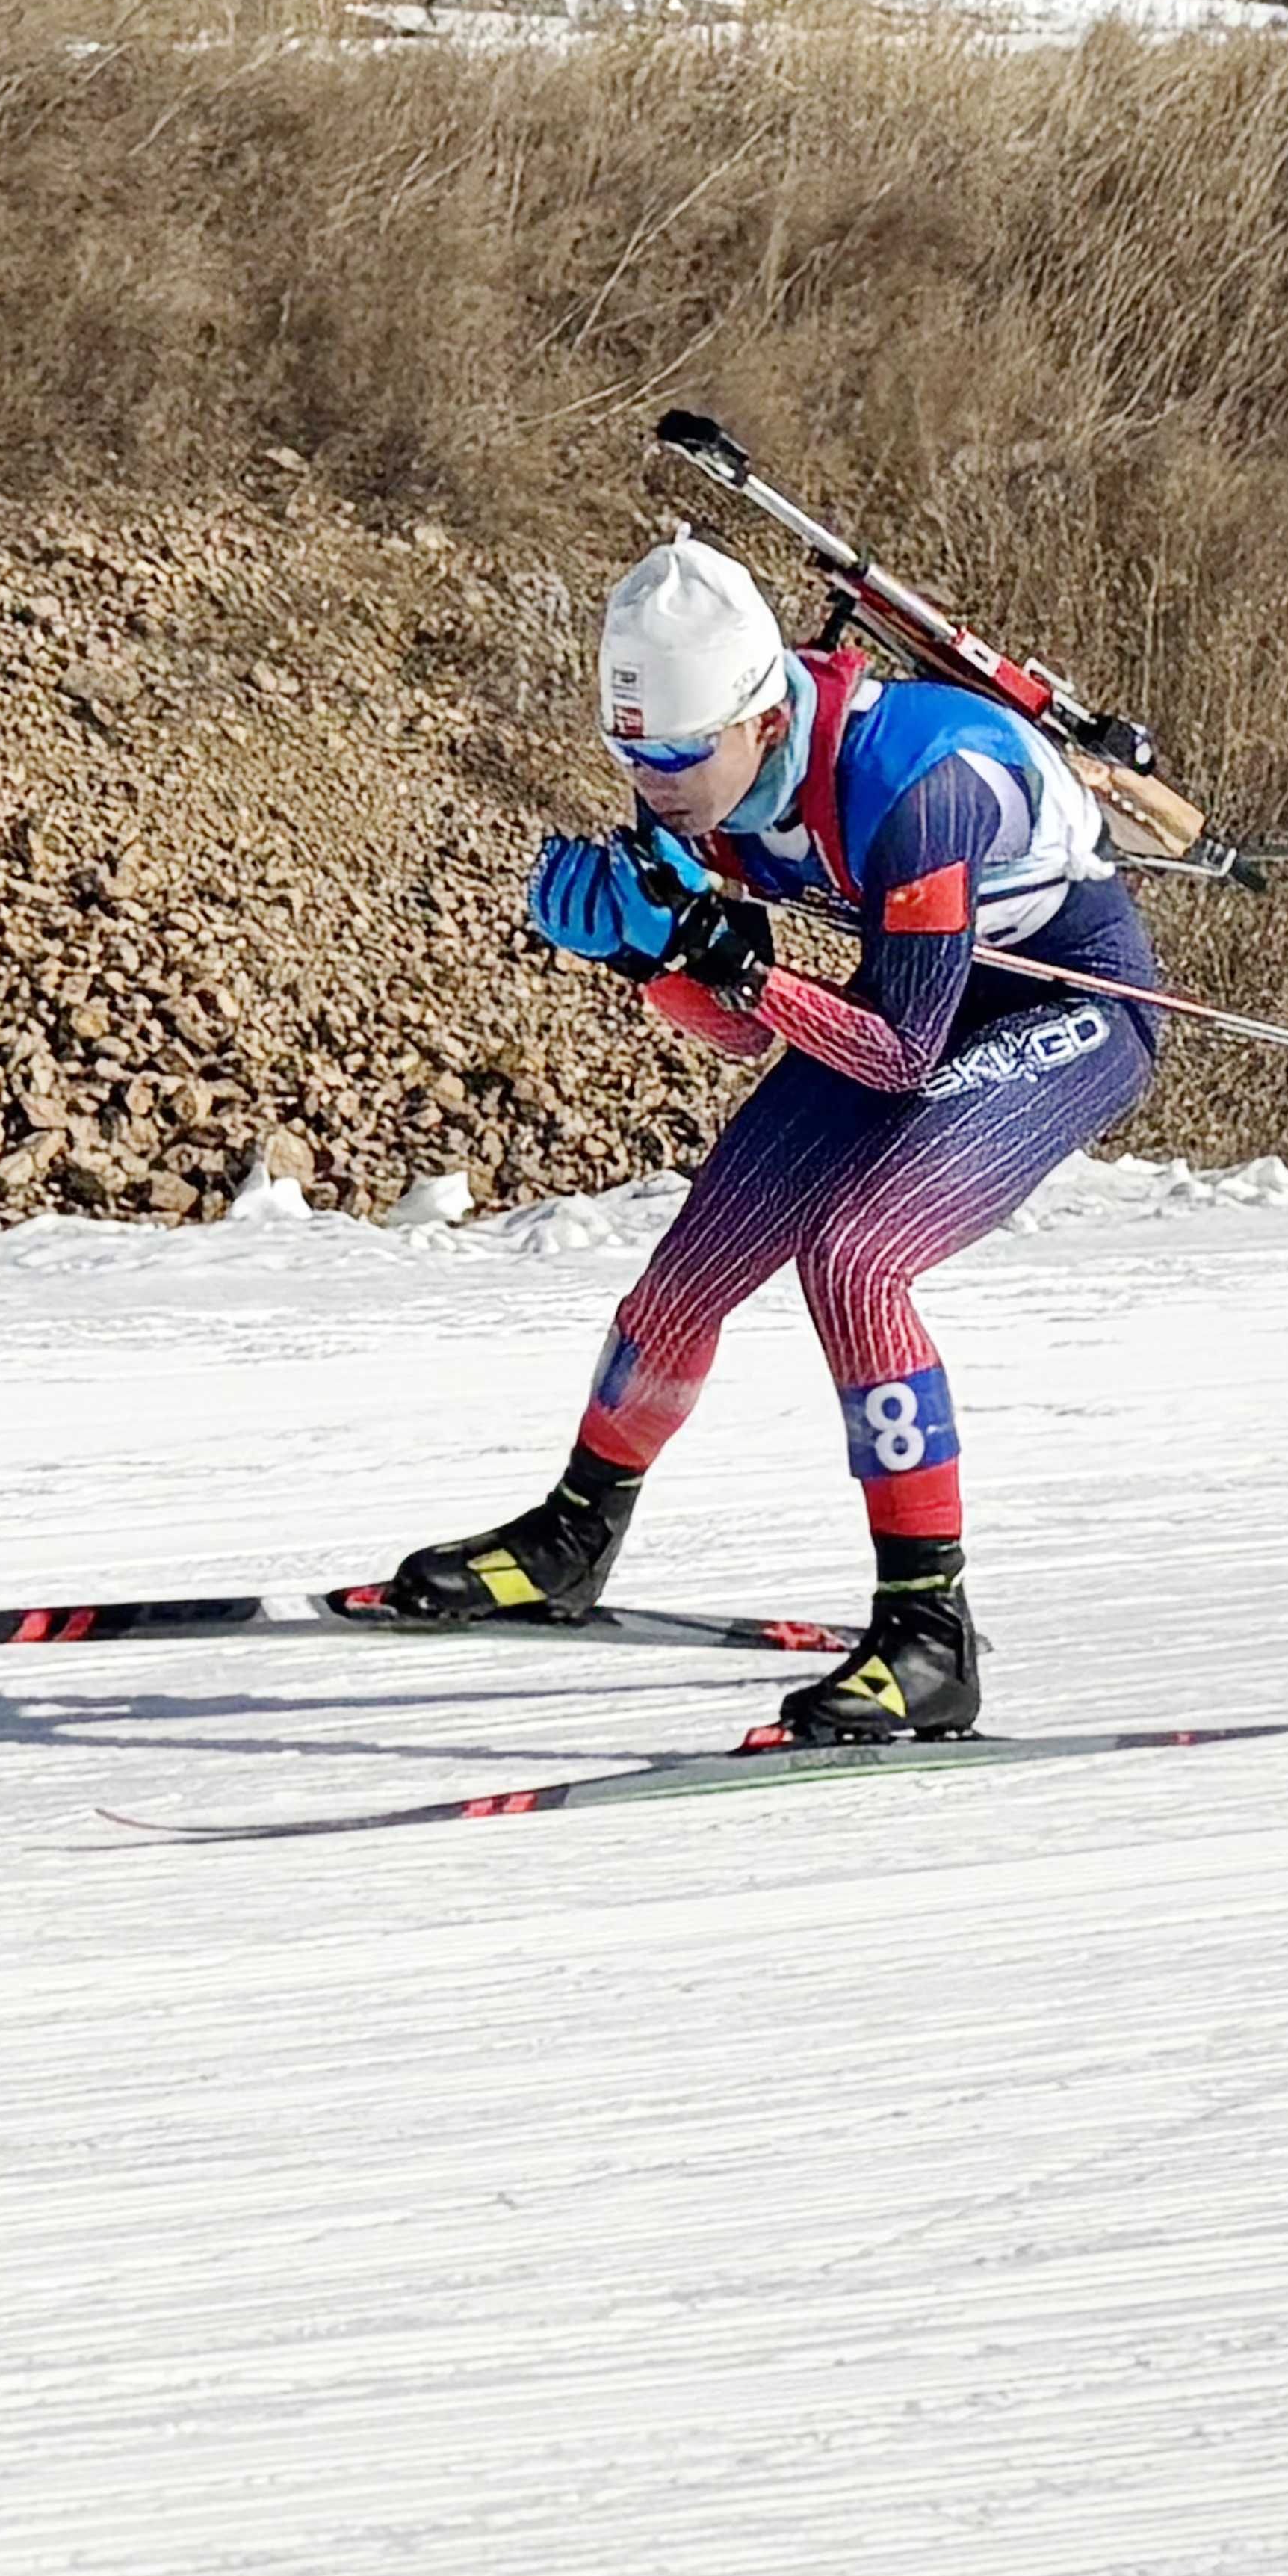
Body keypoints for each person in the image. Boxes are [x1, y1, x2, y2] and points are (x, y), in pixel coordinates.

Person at [386, 529, 1165, 1739]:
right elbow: (744, 1031)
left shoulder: (923, 779)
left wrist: (729, 963)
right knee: (692, 1264)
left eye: (681, 754)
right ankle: (575, 1530)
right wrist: (645, 955)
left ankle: (928, 1632)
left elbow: (902, 1052)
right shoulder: (692, 777)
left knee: (856, 1257)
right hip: (899, 998)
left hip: (1066, 1005)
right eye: (629, 751)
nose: (654, 780)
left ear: (757, 717)